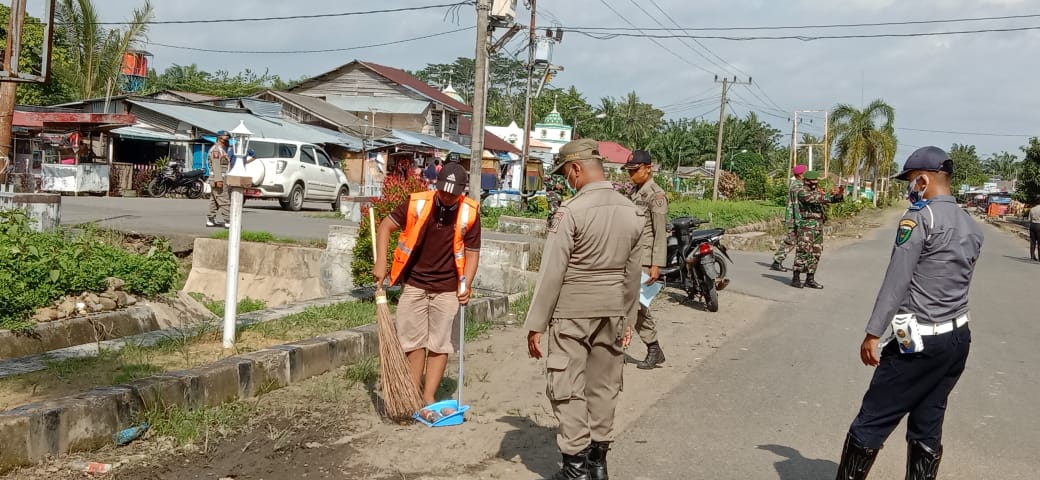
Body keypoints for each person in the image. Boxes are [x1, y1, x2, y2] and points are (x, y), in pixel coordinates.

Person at [834, 146, 983, 480]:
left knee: (872, 420)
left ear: (923, 180)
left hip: (917, 343)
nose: (909, 188)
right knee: (927, 423)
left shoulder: (919, 219)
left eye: (911, 182)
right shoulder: (971, 224)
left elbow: (896, 281)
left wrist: (873, 333)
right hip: (957, 340)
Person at [524, 138, 644, 480]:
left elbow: (552, 272)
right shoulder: (632, 211)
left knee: (568, 387)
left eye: (566, 174)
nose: (567, 181)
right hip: (614, 311)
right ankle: (598, 462)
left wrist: (537, 323)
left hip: (572, 313)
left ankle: (575, 468)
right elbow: (632, 274)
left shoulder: (571, 211)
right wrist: (629, 319)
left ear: (576, 169)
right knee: (605, 385)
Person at [372, 162, 481, 420]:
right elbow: (385, 226)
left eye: (454, 194)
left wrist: (466, 283)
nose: (448, 197)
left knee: (440, 343)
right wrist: (380, 262)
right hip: (414, 283)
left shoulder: (470, 212)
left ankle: (428, 396)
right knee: (413, 341)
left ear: (462, 192)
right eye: (444, 191)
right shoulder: (417, 203)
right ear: (437, 186)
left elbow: (473, 253)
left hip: (447, 288)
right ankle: (410, 394)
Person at [623, 150, 669, 370]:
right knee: (627, 304)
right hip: (630, 257)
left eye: (635, 170)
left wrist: (656, 265)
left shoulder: (656, 196)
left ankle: (653, 348)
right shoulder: (634, 192)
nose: (631, 175)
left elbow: (660, 234)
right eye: (629, 171)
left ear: (648, 168)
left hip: (645, 259)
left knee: (639, 306)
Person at [791, 170, 843, 288]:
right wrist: (829, 195)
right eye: (813, 181)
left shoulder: (816, 191)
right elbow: (816, 199)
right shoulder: (802, 192)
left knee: (816, 252)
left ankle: (810, 278)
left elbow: (831, 199)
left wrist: (838, 194)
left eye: (816, 181)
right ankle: (796, 277)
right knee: (803, 251)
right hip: (806, 227)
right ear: (807, 181)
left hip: (818, 227)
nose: (815, 183)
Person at [772, 164, 808, 271]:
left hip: (794, 217)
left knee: (795, 240)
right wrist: (799, 220)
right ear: (801, 175)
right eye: (804, 172)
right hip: (795, 218)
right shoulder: (797, 187)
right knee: (793, 240)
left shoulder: (797, 185)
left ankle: (778, 260)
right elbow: (797, 205)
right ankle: (778, 261)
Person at [206, 130, 232, 228]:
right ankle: (228, 220)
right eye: (226, 139)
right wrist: (218, 180)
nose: (227, 141)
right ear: (220, 138)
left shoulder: (222, 150)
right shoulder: (216, 150)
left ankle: (210, 219)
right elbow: (216, 165)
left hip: (222, 177)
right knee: (224, 199)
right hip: (218, 178)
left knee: (214, 200)